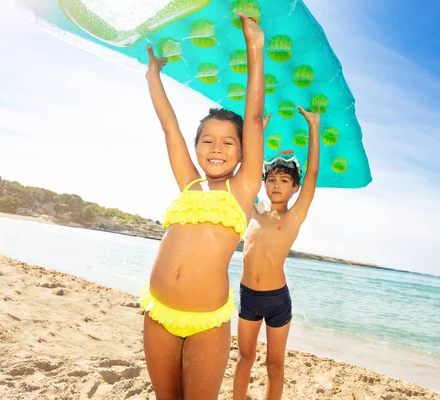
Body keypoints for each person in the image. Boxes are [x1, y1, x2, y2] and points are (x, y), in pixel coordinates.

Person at [139, 13, 265, 399]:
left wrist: (254, 48)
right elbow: (169, 126)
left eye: (228, 142)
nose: (216, 148)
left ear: (243, 152)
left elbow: (256, 119)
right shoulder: (189, 182)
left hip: (207, 322)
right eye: (207, 140)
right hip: (158, 311)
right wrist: (153, 76)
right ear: (196, 147)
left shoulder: (243, 189)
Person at [233, 106, 320, 400]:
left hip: (276, 300)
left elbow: (313, 176)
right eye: (271, 179)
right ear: (264, 184)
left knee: (274, 364)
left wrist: (313, 126)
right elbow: (244, 169)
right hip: (247, 295)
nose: (276, 185)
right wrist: (257, 133)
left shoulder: (293, 217)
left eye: (284, 181)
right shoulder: (253, 209)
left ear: (294, 187)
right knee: (244, 358)